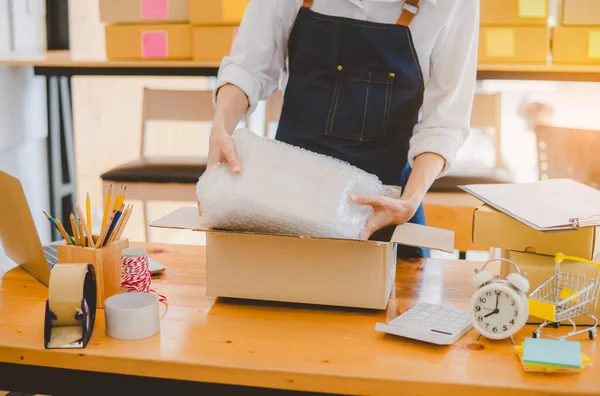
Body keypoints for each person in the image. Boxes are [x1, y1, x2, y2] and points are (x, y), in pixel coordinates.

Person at [201, 0, 479, 258]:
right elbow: (248, 68)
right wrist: (220, 129)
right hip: (286, 200)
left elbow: (445, 119)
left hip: (385, 209)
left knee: (400, 307)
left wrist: (410, 201)